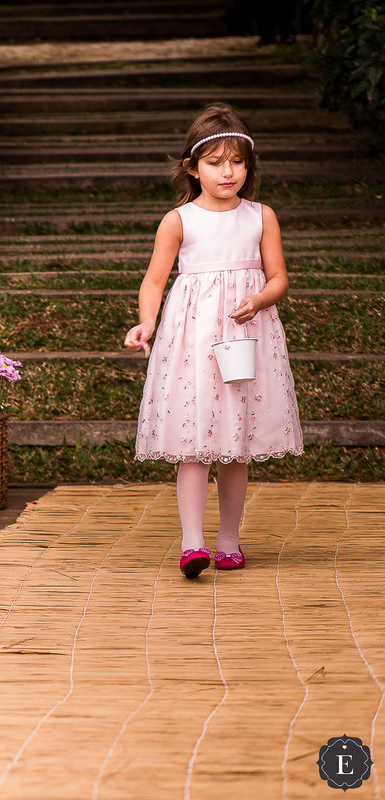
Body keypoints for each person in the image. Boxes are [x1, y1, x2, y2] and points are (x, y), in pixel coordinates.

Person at [123, 102, 303, 578]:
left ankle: (228, 540)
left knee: (235, 441)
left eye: (237, 162)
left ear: (249, 165)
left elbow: (280, 277)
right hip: (193, 339)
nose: (228, 172)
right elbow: (154, 281)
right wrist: (146, 322)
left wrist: (261, 298)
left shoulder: (261, 216)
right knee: (195, 440)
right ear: (193, 167)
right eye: (216, 162)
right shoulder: (179, 220)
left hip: (245, 336)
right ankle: (192, 544)